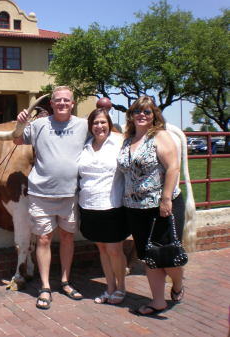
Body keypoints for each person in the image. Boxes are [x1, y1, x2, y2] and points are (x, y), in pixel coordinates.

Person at [14, 86, 88, 310]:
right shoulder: (38, 125)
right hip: (41, 193)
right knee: (44, 239)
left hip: (70, 193)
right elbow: (17, 140)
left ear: (72, 104)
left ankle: (65, 281)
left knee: (67, 238)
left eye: (67, 100)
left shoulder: (84, 125)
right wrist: (20, 123)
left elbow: (103, 138)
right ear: (52, 104)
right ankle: (45, 287)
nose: (62, 103)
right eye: (58, 100)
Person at [117, 96, 186, 316]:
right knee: (149, 256)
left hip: (162, 206)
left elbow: (173, 167)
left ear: (154, 115)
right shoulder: (128, 140)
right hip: (134, 209)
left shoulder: (160, 136)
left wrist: (166, 199)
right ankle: (157, 301)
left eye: (147, 112)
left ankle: (177, 285)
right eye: (137, 111)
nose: (142, 115)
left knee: (168, 255)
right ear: (131, 115)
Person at [77, 108, 129, 305]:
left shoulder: (119, 142)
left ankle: (121, 287)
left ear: (109, 124)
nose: (99, 126)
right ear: (90, 126)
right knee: (102, 249)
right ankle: (109, 287)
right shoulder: (85, 146)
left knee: (115, 250)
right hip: (89, 205)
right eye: (95, 123)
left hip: (112, 205)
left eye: (103, 122)